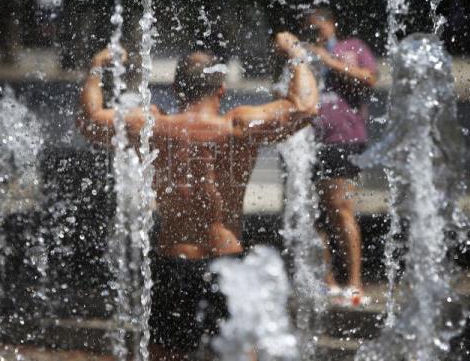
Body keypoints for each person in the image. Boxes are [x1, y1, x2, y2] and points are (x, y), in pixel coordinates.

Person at [77, 32, 319, 361]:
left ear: (176, 89)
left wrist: (95, 68)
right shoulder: (240, 127)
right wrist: (296, 53)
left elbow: (91, 122)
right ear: (222, 90)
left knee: (164, 356)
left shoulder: (151, 127)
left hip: (171, 262)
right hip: (226, 263)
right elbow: (305, 108)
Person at [301, 7, 378, 304]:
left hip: (345, 139)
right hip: (312, 141)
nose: (315, 30)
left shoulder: (353, 47)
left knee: (341, 207)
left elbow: (369, 79)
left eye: (319, 24)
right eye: (309, 27)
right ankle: (328, 281)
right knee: (318, 215)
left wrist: (330, 61)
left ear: (333, 24)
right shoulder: (306, 54)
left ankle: (355, 282)